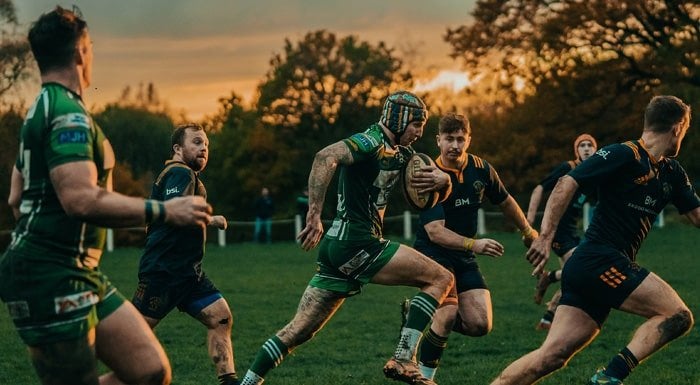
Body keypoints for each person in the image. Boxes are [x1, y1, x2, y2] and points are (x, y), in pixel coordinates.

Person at [0, 6, 212, 385]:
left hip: (78, 271)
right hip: (51, 276)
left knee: (150, 371)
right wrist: (166, 211)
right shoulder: (68, 116)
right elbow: (80, 199)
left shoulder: (42, 110)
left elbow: (17, 199)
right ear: (82, 51)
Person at [238, 91, 455, 385]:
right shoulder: (371, 141)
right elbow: (325, 156)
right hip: (359, 243)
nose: (420, 131)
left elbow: (430, 188)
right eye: (417, 123)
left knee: (298, 331)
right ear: (400, 118)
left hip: (336, 250)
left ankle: (248, 382)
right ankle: (404, 358)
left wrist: (446, 181)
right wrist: (314, 215)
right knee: (442, 279)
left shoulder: (401, 154)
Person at [491, 95, 699, 385]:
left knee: (550, 357)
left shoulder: (671, 173)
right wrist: (546, 237)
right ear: (677, 128)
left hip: (591, 268)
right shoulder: (623, 154)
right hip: (600, 260)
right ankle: (610, 377)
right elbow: (567, 182)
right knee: (678, 315)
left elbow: (697, 216)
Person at [411, 112, 538, 382]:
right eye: (449, 139)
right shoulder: (427, 176)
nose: (455, 145)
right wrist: (475, 243)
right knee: (446, 316)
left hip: (463, 255)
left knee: (480, 324)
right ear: (438, 141)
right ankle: (423, 378)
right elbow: (435, 233)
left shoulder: (481, 169)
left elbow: (505, 200)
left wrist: (527, 230)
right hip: (433, 254)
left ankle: (421, 311)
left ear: (469, 140)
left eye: (460, 139)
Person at [131, 123, 239, 385]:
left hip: (189, 273)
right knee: (132, 336)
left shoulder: (183, 174)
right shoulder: (180, 173)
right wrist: (211, 219)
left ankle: (229, 380)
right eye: (197, 142)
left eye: (206, 145)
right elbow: (176, 211)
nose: (204, 148)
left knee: (220, 317)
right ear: (178, 148)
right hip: (164, 271)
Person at [526, 133, 597, 330]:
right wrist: (529, 220)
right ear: (577, 151)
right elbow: (540, 187)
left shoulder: (594, 176)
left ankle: (548, 317)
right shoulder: (569, 168)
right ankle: (549, 280)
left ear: (595, 150)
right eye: (581, 145)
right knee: (580, 269)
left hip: (572, 233)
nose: (586, 148)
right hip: (556, 232)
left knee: (575, 276)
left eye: (589, 145)